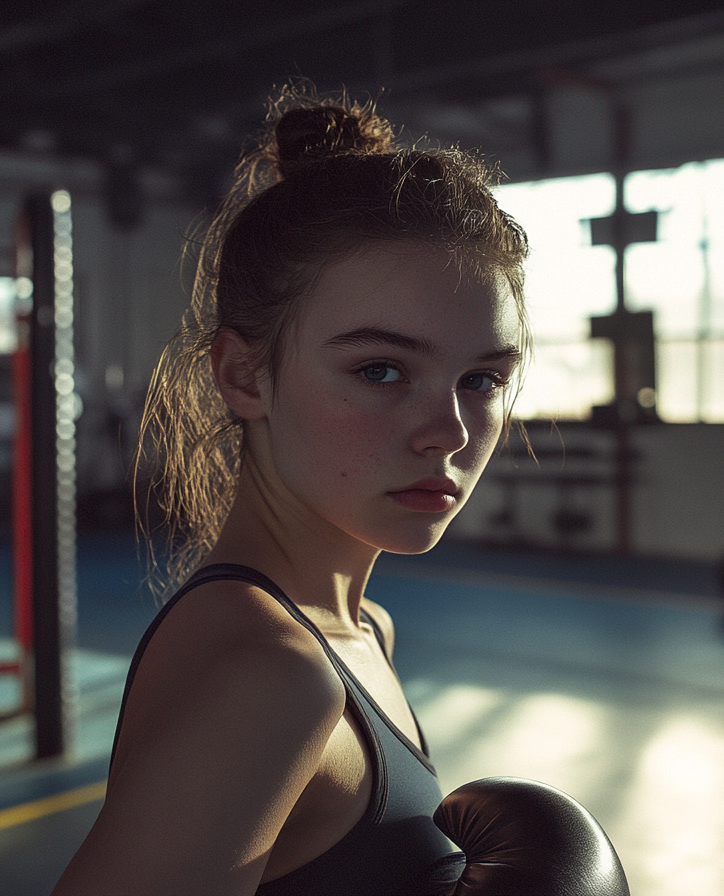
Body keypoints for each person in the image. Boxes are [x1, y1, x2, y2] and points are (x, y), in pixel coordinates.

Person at [52, 86, 530, 896]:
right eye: (381, 370)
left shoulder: (356, 630)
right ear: (244, 376)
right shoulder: (272, 678)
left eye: (482, 378)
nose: (449, 431)